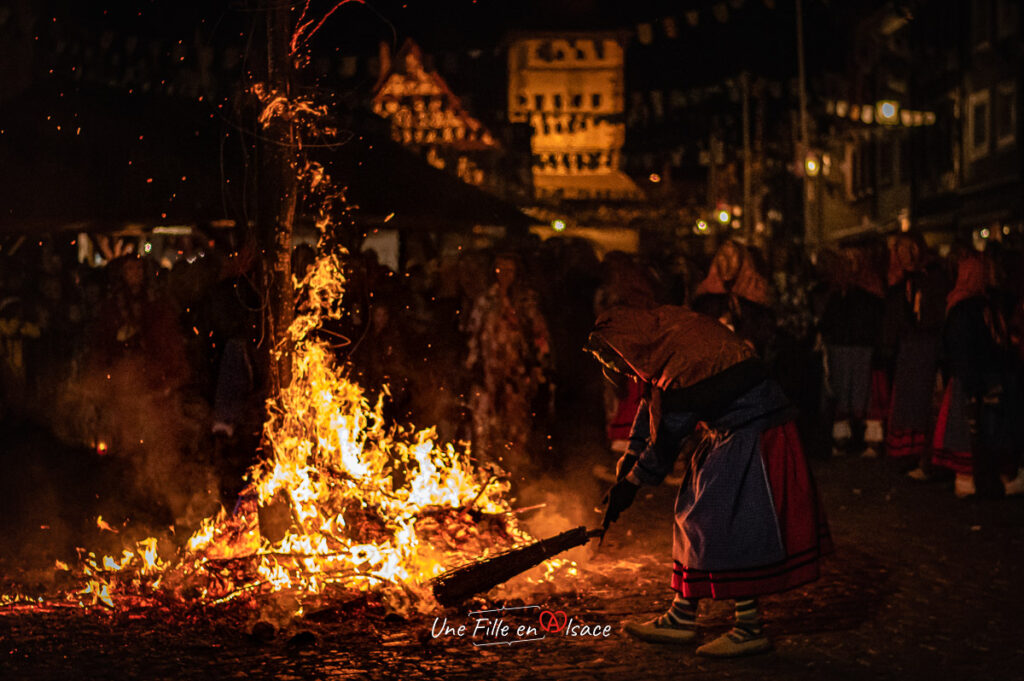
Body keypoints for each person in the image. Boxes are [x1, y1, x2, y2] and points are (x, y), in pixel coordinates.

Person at [588, 305, 831, 658]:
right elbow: (653, 398)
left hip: (755, 432)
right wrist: (631, 454)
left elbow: (669, 431)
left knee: (724, 522)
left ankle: (748, 628)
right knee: (694, 512)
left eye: (616, 360)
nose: (618, 369)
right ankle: (681, 615)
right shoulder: (667, 340)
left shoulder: (684, 366)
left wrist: (631, 485)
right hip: (732, 430)